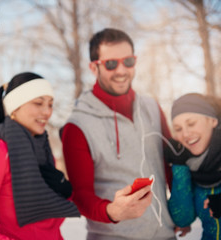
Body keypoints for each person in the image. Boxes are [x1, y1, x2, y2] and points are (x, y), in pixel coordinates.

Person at [61, 28, 176, 239]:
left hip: (164, 234)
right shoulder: (77, 126)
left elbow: (170, 168)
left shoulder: (151, 107)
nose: (122, 71)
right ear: (94, 68)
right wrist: (112, 211)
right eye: (111, 64)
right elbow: (81, 195)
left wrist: (181, 212)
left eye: (128, 62)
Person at [0, 72, 80, 240]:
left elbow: (50, 223)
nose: (47, 112)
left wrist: (66, 192)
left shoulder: (46, 155)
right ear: (14, 107)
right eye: (38, 103)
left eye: (50, 104)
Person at [165, 93, 221, 240]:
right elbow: (182, 218)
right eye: (178, 129)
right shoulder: (193, 167)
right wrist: (179, 166)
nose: (186, 134)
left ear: (212, 121)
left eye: (191, 124)